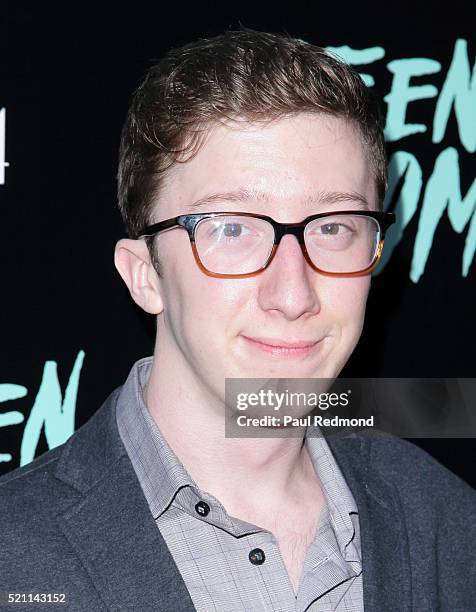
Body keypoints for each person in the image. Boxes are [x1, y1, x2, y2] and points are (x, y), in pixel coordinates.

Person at [0, 29, 474, 612]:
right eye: (231, 229)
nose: (293, 294)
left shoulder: (449, 525)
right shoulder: (12, 555)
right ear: (144, 273)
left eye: (333, 228)